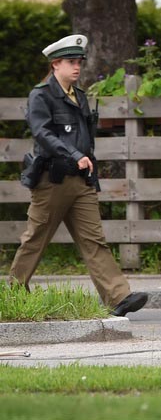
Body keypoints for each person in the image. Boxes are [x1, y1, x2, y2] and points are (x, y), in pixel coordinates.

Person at [10, 35, 148, 317]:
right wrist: (74, 155)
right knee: (36, 238)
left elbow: (86, 141)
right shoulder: (41, 95)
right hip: (52, 180)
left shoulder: (80, 96)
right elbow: (42, 134)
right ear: (55, 64)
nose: (77, 67)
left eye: (79, 62)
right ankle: (12, 294)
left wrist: (89, 169)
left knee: (94, 239)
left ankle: (118, 296)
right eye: (71, 62)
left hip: (81, 181)